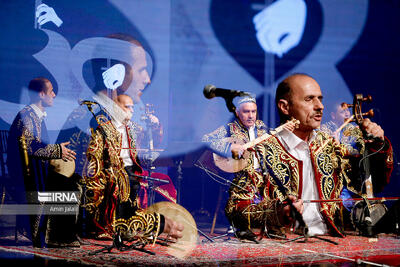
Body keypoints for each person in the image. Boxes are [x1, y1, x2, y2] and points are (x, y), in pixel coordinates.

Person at [260, 73, 393, 237]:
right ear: (285, 107)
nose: (320, 106)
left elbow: (368, 184)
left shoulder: (329, 145)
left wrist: (378, 145)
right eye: (309, 99)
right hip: (282, 248)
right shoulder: (262, 150)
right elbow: (236, 208)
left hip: (331, 242)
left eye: (320, 99)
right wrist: (278, 212)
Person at [83, 92, 183, 242]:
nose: (132, 110)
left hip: (133, 170)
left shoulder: (133, 128)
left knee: (163, 180)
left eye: (132, 107)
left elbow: (153, 141)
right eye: (127, 106)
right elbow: (94, 153)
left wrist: (155, 126)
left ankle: (162, 223)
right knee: (119, 186)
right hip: (112, 171)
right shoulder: (104, 129)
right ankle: (122, 224)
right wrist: (97, 170)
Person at [7, 77, 78, 247]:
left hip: (34, 169)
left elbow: (36, 144)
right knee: (67, 184)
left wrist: (57, 150)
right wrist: (57, 151)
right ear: (41, 94)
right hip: (25, 174)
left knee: (72, 179)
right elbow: (30, 146)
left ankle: (60, 234)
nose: (54, 94)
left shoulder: (34, 115)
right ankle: (57, 237)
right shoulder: (27, 115)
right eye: (51, 90)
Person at [202, 96, 271, 240]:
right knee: (244, 182)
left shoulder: (262, 127)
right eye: (246, 112)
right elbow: (206, 139)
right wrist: (229, 146)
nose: (251, 115)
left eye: (253, 111)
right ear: (238, 113)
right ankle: (240, 224)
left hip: (263, 173)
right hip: (239, 175)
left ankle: (273, 224)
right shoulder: (230, 128)